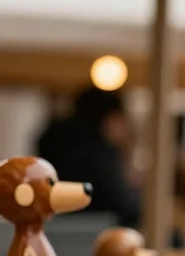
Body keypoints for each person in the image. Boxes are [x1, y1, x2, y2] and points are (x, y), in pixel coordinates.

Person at [37, 87, 140, 228]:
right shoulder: (99, 154)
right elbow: (122, 204)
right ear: (108, 119)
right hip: (97, 233)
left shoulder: (55, 141)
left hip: (54, 231)